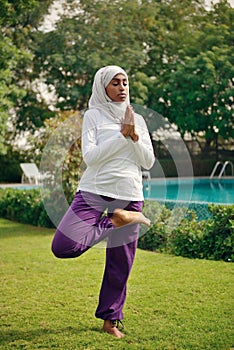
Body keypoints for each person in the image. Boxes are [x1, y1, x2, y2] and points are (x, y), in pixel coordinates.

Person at [51, 65, 155, 338]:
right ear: (102, 87)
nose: (122, 88)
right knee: (64, 246)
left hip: (129, 192)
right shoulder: (93, 116)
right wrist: (122, 136)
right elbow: (91, 158)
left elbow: (148, 161)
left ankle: (110, 320)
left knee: (120, 261)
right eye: (115, 83)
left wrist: (133, 136)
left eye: (125, 82)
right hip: (94, 189)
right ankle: (115, 221)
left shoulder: (139, 120)